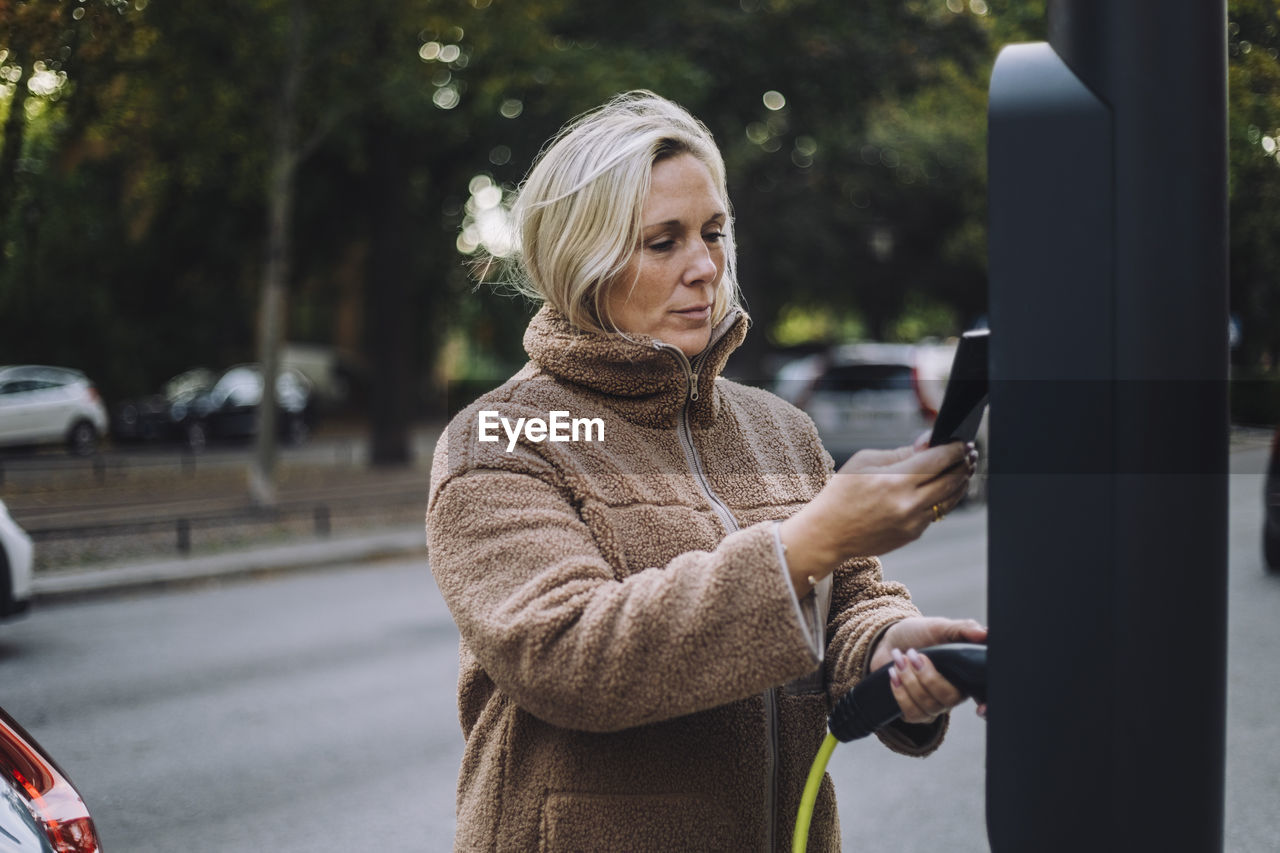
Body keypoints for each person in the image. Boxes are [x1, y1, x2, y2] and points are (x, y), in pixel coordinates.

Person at [426, 90, 987, 852]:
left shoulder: (779, 428)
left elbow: (850, 608)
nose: (706, 266)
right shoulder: (502, 437)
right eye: (663, 242)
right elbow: (568, 655)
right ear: (582, 260)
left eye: (714, 232)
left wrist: (897, 650)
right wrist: (808, 541)